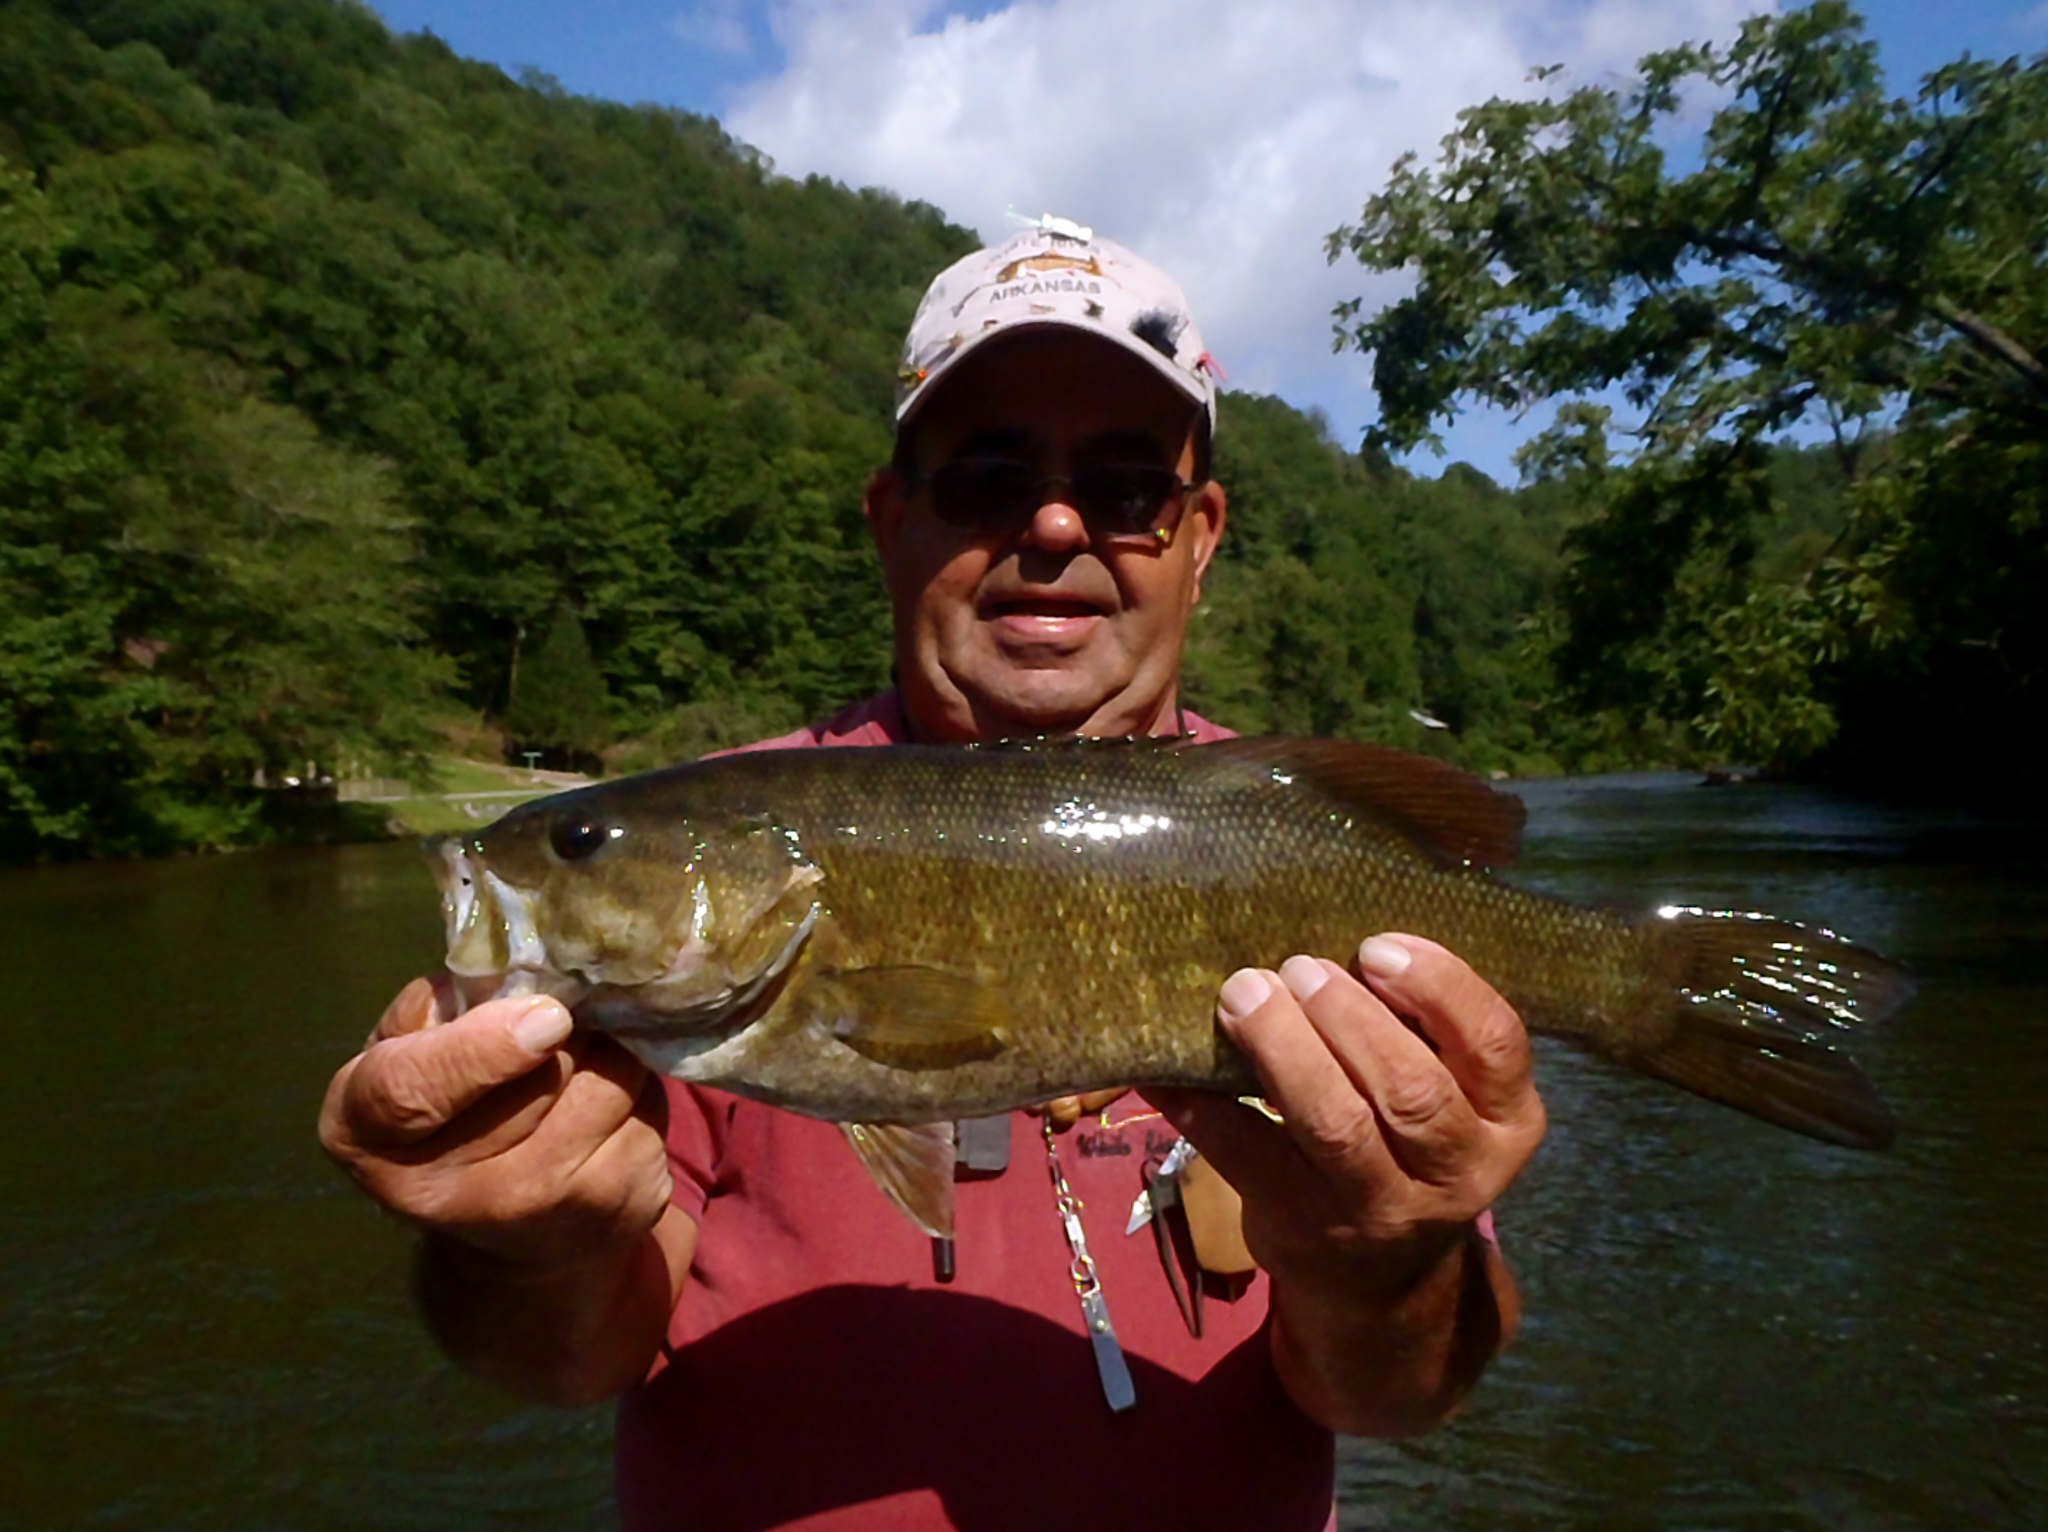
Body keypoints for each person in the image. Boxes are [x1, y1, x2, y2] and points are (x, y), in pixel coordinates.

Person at [319, 215, 1547, 1530]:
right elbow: (557, 1361)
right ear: (891, 519)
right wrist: (517, 1241)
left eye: (1128, 487)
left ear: (1201, 533)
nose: (1059, 523)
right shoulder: (724, 861)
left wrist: (1391, 1264)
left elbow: (1404, 1397)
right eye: (988, 476)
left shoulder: (1305, 836)